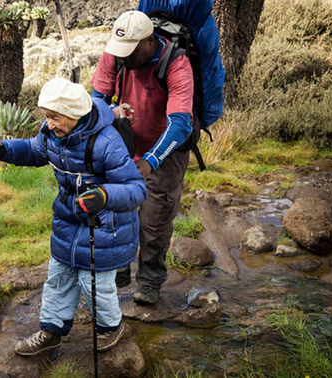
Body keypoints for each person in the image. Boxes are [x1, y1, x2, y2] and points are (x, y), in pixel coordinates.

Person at [0, 77, 147, 356]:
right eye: (47, 117)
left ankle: (111, 327)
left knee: (93, 282)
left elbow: (136, 189)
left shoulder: (107, 142)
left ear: (74, 115)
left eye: (54, 118)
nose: (48, 124)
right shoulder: (52, 134)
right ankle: (52, 331)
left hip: (104, 226)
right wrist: (5, 151)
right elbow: (34, 150)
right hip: (68, 221)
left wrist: (104, 196)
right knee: (59, 276)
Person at [91, 10, 195, 305]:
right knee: (117, 208)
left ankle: (149, 281)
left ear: (149, 42)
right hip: (125, 141)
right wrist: (110, 113)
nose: (123, 58)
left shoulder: (176, 63)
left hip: (167, 149)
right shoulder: (115, 54)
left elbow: (180, 124)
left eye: (130, 52)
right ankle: (120, 267)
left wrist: (150, 160)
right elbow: (97, 100)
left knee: (154, 219)